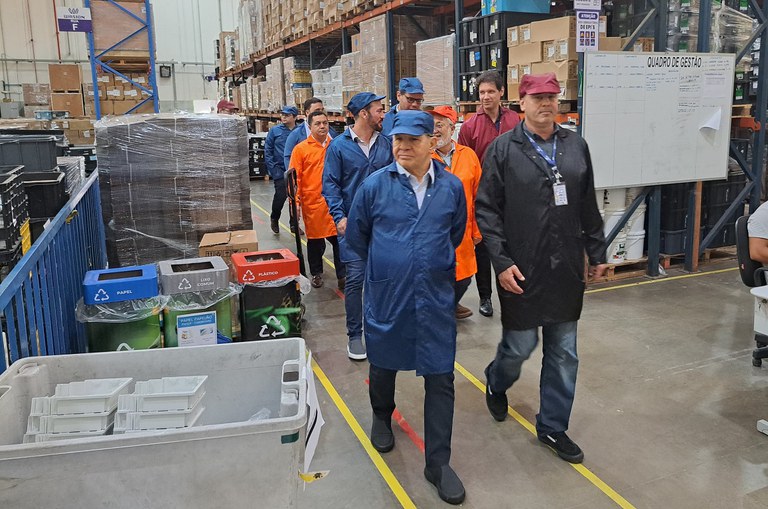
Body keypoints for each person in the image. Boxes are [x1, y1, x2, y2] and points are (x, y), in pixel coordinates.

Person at [476, 73, 607, 465]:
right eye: (537, 97)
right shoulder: (503, 149)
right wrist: (501, 262)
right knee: (520, 346)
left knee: (564, 351)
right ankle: (496, 380)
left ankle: (552, 426)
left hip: (565, 265)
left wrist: (597, 251)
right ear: (522, 102)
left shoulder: (575, 146)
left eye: (552, 96)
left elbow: (586, 203)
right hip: (522, 267)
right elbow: (486, 209)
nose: (546, 103)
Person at [346, 111, 467, 505]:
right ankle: (382, 415)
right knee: (382, 363)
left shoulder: (450, 188)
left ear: (432, 142)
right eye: (398, 139)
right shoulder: (375, 186)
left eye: (413, 140)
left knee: (441, 376)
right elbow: (358, 239)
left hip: (433, 297)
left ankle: (438, 462)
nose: (403, 147)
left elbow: (456, 231)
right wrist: (386, 269)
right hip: (389, 293)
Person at [323, 92, 393, 361]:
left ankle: (383, 330)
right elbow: (330, 185)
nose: (383, 114)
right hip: (352, 227)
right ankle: (355, 334)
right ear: (363, 113)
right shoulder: (339, 147)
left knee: (384, 279)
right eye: (379, 110)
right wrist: (339, 217)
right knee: (355, 280)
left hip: (384, 227)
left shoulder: (386, 144)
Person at [458, 70, 521, 319]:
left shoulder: (515, 120)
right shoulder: (470, 126)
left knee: (510, 245)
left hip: (511, 194)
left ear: (501, 92)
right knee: (483, 249)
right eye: (482, 92)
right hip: (483, 197)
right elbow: (464, 162)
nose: (485, 97)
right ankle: (485, 296)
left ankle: (511, 290)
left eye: (490, 92)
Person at [429, 105, 483, 320]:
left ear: (452, 128)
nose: (435, 130)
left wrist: (478, 229)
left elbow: (480, 196)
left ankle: (450, 303)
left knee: (464, 276)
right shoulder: (424, 157)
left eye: (440, 125)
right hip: (435, 232)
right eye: (431, 126)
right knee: (437, 274)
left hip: (464, 229)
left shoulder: (468, 155)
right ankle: (440, 309)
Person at [289, 111, 346, 289]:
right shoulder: (301, 149)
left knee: (339, 240)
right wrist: (295, 204)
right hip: (313, 204)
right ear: (310, 127)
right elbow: (294, 180)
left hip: (334, 203)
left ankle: (342, 275)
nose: (322, 126)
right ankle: (316, 274)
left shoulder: (335, 146)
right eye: (318, 124)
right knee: (315, 243)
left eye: (325, 123)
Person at [264, 106, 298, 234]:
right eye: (282, 114)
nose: (283, 117)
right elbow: (268, 150)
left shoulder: (299, 131)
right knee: (280, 197)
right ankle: (274, 218)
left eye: (287, 115)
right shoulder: (275, 131)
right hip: (280, 170)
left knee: (295, 199)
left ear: (294, 117)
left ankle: (294, 224)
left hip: (295, 170)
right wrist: (273, 170)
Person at [284, 97, 338, 172]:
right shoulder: (296, 135)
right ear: (307, 112)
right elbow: (288, 159)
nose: (321, 112)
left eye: (322, 110)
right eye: (317, 110)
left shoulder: (331, 132)